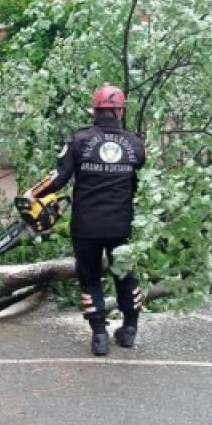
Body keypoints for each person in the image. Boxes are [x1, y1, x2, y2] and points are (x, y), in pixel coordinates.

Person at [29, 85, 147, 356]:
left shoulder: (79, 140)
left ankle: (99, 336)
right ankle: (129, 330)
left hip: (86, 226)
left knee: (90, 278)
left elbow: (58, 178)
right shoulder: (136, 144)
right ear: (120, 110)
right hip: (122, 225)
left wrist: (32, 194)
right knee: (126, 275)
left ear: (95, 110)